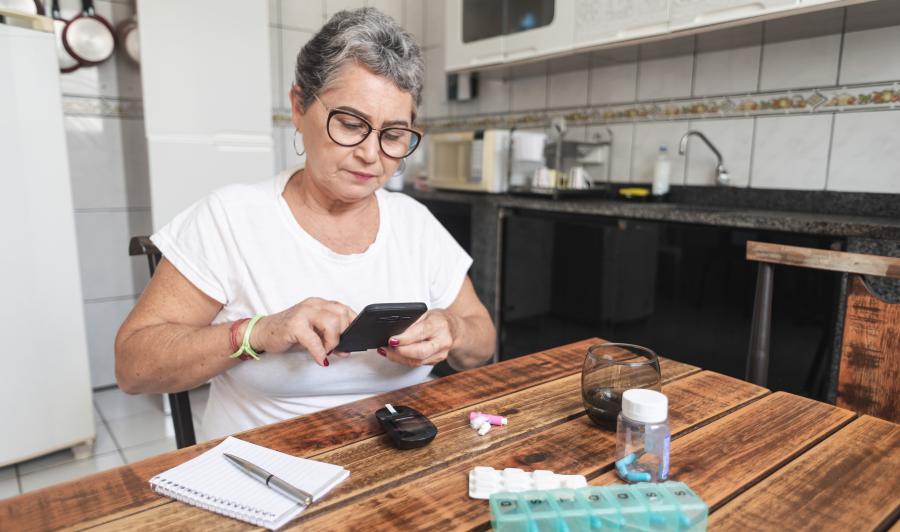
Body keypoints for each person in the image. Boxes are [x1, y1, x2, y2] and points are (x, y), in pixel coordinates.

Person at [115, 8, 496, 440]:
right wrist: (258, 332)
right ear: (299, 107)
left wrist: (453, 329)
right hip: (269, 468)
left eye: (392, 136)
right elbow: (133, 367)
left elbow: (481, 342)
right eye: (351, 125)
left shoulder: (414, 222)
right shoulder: (230, 218)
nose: (371, 154)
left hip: (402, 458)